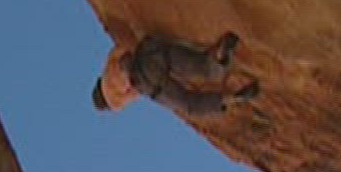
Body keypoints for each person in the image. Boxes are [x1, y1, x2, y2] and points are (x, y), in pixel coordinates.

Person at [92, 31, 259, 116]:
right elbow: (124, 46)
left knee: (189, 104)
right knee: (201, 67)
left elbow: (133, 92)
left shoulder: (112, 100)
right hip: (151, 52)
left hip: (145, 77)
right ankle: (220, 55)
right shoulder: (108, 64)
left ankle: (234, 98)